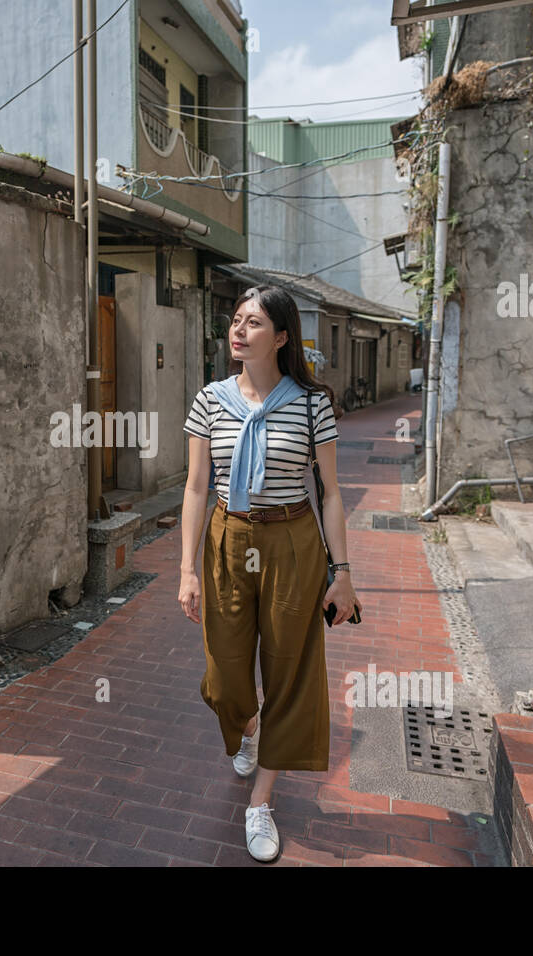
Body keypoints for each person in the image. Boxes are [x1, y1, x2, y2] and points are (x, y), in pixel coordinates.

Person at [178, 285, 360, 863]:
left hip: (292, 541)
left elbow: (330, 492)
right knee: (226, 673)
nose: (238, 330)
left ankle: (261, 801)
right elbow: (195, 487)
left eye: (253, 322)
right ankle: (249, 728)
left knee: (290, 670)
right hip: (228, 538)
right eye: (236, 320)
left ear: (281, 337)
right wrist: (187, 571)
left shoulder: (312, 404)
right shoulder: (210, 399)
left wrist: (343, 573)